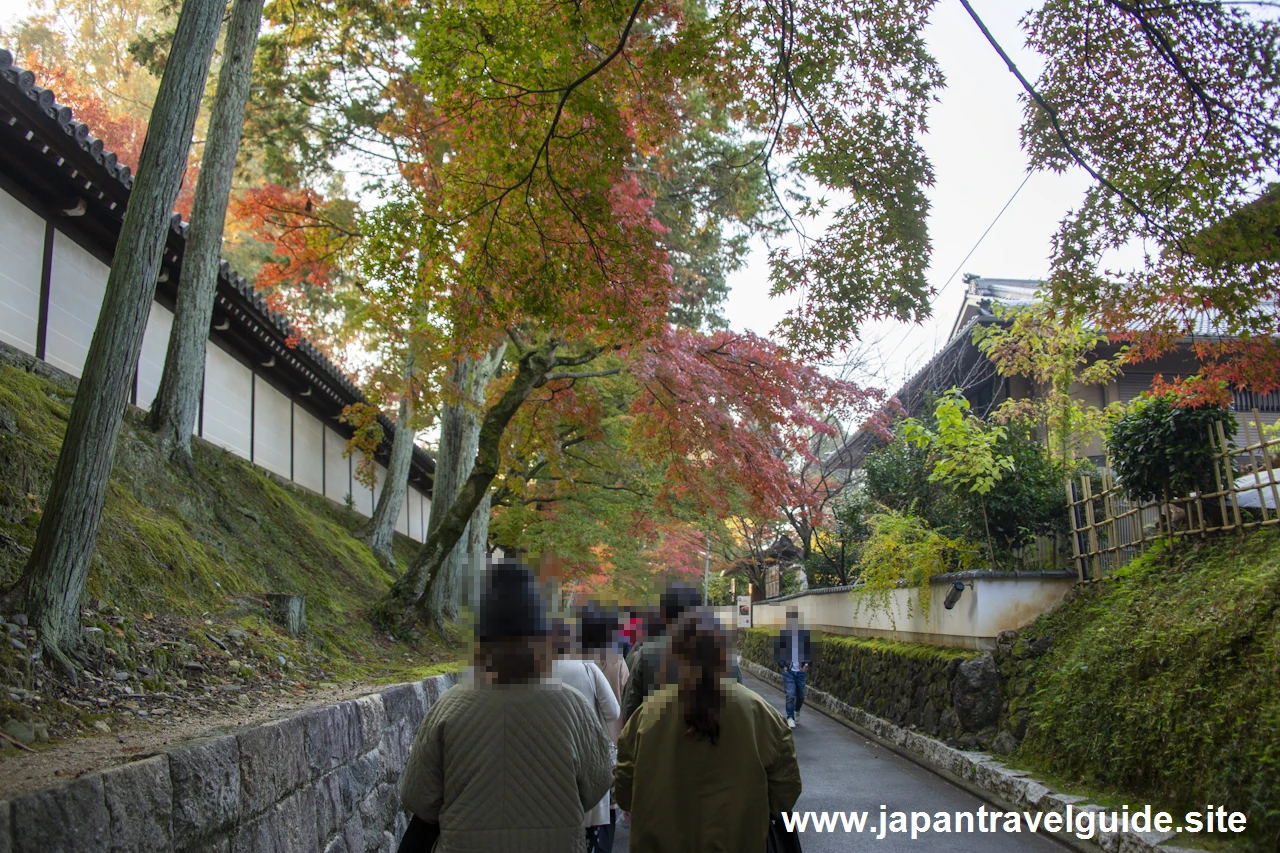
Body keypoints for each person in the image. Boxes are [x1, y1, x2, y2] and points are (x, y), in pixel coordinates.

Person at [398, 560, 613, 853]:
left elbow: (419, 798)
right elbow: (596, 786)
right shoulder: (573, 706)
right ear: (542, 641)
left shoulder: (449, 707)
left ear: (481, 644)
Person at [615, 611, 802, 852]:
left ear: (676, 655)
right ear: (725, 653)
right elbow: (786, 790)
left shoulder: (647, 715)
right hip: (740, 840)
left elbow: (624, 788)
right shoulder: (760, 713)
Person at [551, 615, 622, 853]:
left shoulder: (534, 674)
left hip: (549, 765)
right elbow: (613, 711)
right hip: (586, 760)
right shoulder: (587, 669)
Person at [621, 584, 702, 723]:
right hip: (709, 740)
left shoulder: (646, 654)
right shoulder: (721, 653)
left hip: (655, 738)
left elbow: (629, 709)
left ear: (663, 615)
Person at [773, 607, 812, 729]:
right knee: (790, 694)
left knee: (801, 695)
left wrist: (806, 665)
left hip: (800, 671)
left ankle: (797, 709)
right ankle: (790, 717)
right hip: (789, 671)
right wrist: (783, 666)